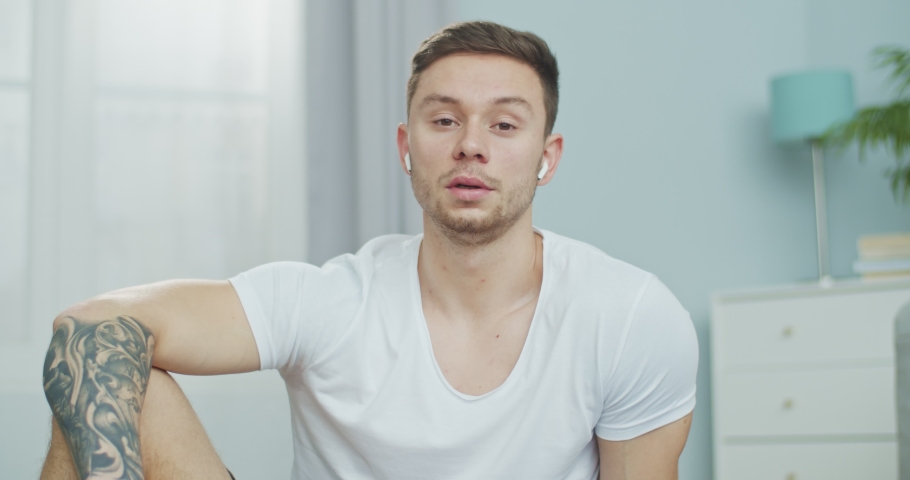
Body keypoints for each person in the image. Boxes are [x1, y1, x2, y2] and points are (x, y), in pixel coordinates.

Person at [40, 20, 697, 480]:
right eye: (444, 120)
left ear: (546, 158)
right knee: (108, 374)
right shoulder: (334, 301)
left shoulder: (627, 316)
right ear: (407, 148)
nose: (471, 144)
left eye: (504, 124)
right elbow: (89, 327)